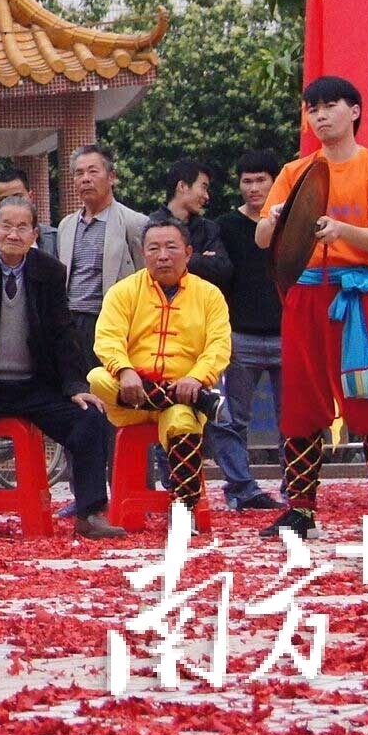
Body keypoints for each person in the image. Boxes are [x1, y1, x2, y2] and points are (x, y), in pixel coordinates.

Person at [256, 76, 368, 541]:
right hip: (305, 294)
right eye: (312, 109)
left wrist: (341, 230)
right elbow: (262, 239)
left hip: (359, 293)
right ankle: (301, 509)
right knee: (301, 400)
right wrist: (276, 220)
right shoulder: (295, 172)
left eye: (329, 106)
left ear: (355, 110)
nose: (320, 116)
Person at [0, 196, 123, 541]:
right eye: (6, 226)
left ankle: (90, 513)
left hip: (35, 385)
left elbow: (63, 333)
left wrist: (76, 386)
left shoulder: (50, 271)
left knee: (89, 415)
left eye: (22, 227)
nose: (13, 234)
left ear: (34, 235)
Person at [86, 222, 232, 526]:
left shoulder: (209, 295)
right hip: (131, 398)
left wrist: (196, 378)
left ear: (188, 253)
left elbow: (219, 345)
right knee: (97, 379)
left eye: (171, 247)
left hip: (186, 390)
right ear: (144, 254)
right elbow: (108, 338)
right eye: (154, 248)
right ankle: (194, 400)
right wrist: (124, 369)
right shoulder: (123, 291)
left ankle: (184, 509)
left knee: (182, 421)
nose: (162, 255)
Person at [208, 151, 288, 513]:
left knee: (292, 419)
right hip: (240, 335)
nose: (253, 188)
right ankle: (241, 487)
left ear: (275, 182)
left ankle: (296, 485)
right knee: (233, 419)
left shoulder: (289, 223)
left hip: (286, 333)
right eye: (247, 181)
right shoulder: (225, 226)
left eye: (261, 180)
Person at [55, 146, 149, 347]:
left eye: (93, 171)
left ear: (111, 177)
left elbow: (145, 276)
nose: (85, 179)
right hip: (69, 322)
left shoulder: (134, 223)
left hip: (109, 322)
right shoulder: (66, 226)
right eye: (79, 173)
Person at [148, 160, 230, 286]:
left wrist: (185, 258)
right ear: (182, 186)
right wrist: (202, 259)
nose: (207, 196)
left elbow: (223, 270)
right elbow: (147, 268)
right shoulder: (149, 225)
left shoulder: (209, 229)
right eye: (203, 187)